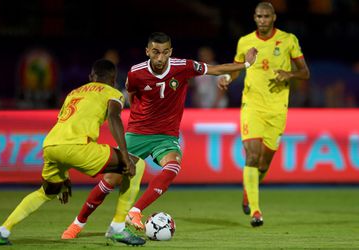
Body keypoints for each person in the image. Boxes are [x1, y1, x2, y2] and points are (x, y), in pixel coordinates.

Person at [61, 32, 257, 238]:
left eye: (165, 52)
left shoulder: (183, 66)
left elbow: (216, 69)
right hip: (137, 133)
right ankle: (77, 224)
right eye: (155, 52)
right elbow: (130, 95)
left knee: (173, 166)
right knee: (111, 180)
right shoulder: (135, 73)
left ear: (170, 52)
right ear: (148, 51)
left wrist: (245, 65)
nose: (160, 58)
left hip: (166, 135)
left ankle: (135, 212)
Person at [0, 59, 146, 246]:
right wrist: (126, 156)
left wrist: (63, 176)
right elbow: (114, 117)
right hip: (78, 145)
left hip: (51, 145)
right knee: (137, 163)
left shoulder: (74, 93)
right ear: (113, 79)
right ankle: (118, 228)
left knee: (46, 192)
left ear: (91, 77)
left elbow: (65, 127)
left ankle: (2, 231)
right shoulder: (113, 93)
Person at [218, 2, 310, 227]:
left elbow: (305, 72)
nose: (262, 20)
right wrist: (228, 79)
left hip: (277, 109)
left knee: (263, 163)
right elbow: (238, 69)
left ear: (274, 17)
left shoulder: (288, 40)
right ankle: (256, 212)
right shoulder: (245, 41)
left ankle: (249, 191)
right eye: (259, 16)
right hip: (252, 106)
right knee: (251, 155)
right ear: (254, 17)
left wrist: (288, 73)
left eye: (266, 16)